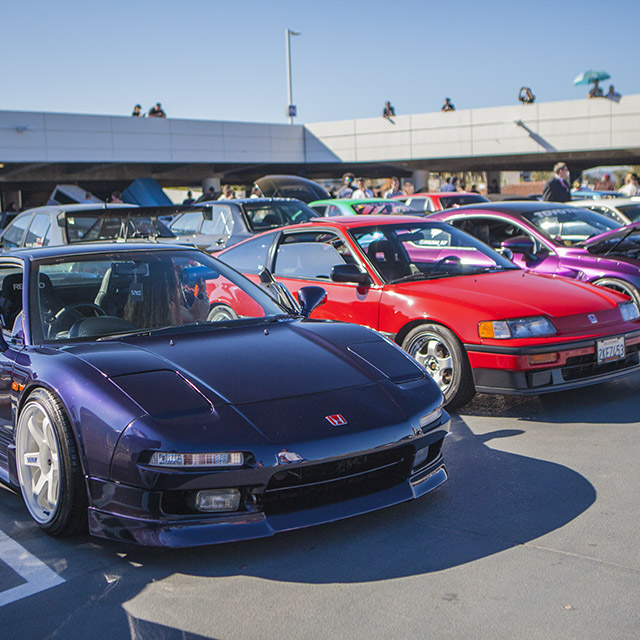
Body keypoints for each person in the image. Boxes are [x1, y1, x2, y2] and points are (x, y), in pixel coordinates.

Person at [124, 259, 208, 329]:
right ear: (167, 279)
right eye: (175, 269)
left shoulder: (137, 306)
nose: (178, 272)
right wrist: (202, 293)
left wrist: (201, 292)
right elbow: (196, 320)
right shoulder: (171, 308)